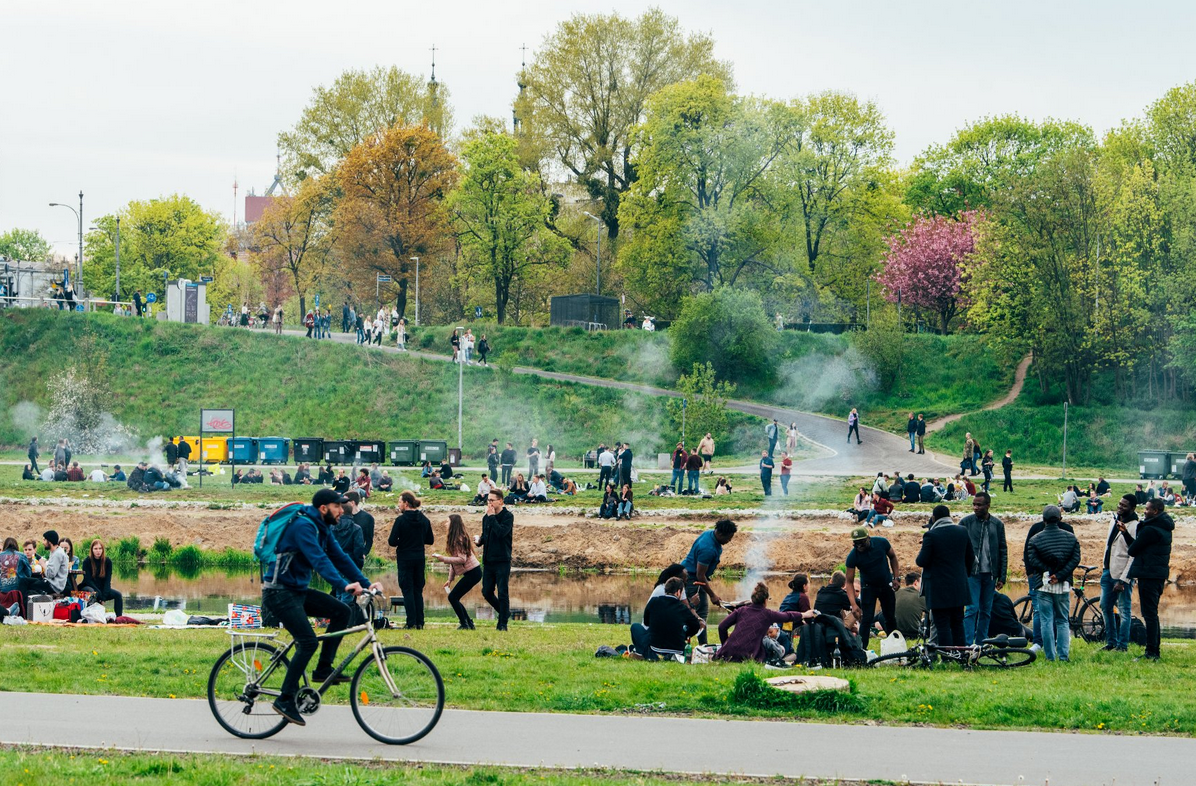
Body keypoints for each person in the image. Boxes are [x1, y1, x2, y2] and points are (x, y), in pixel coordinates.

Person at [261, 489, 381, 725]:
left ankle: (323, 668)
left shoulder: (323, 528)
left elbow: (340, 558)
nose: (342, 510)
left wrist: (367, 584)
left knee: (342, 611)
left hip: (296, 591)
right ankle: (285, 699)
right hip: (278, 592)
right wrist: (344, 585)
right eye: (337, 506)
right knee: (308, 641)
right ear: (323, 508)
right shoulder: (303, 527)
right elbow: (319, 560)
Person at [1025, 505, 1081, 662]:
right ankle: (1063, 656)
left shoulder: (1035, 539)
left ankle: (1050, 656)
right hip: (1062, 585)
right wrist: (1060, 575)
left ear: (1043, 520)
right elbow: (1075, 559)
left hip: (1044, 584)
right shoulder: (1071, 537)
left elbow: (1033, 560)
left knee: (1046, 620)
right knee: (1063, 620)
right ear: (1060, 519)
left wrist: (1048, 573)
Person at [916, 505, 975, 647]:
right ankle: (960, 654)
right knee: (957, 622)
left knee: (942, 624)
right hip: (959, 585)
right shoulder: (962, 531)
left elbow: (921, 561)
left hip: (938, 588)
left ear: (934, 518)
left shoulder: (931, 535)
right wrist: (963, 575)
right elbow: (971, 558)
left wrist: (924, 546)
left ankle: (947, 655)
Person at [715, 582, 814, 663]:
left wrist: (725, 645)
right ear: (766, 600)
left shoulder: (741, 610)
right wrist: (804, 614)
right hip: (748, 655)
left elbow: (721, 627)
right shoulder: (768, 614)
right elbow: (787, 616)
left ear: (752, 599)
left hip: (727, 653)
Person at [1126, 498, 1174, 661]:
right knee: (1152, 613)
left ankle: (1152, 652)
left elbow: (1133, 550)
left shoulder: (1150, 530)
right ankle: (1154, 650)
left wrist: (1126, 534)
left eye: (1147, 509)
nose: (1144, 511)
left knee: (1149, 614)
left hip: (1149, 574)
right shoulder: (1164, 527)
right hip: (1158, 575)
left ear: (1156, 511)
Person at [959, 491, 1007, 645]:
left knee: (986, 611)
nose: (975, 507)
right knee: (972, 609)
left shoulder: (997, 524)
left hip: (990, 574)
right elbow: (957, 546)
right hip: (972, 573)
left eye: (979, 505)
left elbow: (1003, 550)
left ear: (988, 505)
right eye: (974, 504)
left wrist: (1002, 575)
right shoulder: (966, 522)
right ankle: (967, 645)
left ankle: (981, 644)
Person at [681, 519, 738, 645]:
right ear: (721, 534)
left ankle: (700, 644)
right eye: (729, 538)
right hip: (692, 580)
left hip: (693, 576)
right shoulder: (707, 549)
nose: (730, 541)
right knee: (696, 613)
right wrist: (712, 595)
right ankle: (699, 645)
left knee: (697, 613)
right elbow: (700, 575)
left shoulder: (709, 534)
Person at [844, 527, 900, 648]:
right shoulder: (853, 556)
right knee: (866, 619)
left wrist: (896, 578)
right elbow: (849, 582)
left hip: (886, 585)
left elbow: (893, 557)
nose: (859, 546)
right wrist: (853, 605)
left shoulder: (882, 543)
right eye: (856, 543)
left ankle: (895, 646)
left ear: (868, 538)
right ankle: (862, 650)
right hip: (868, 588)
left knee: (890, 617)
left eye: (862, 542)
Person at [1098, 494, 1139, 652]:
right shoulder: (1113, 521)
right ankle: (1111, 642)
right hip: (1108, 571)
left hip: (1122, 575)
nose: (1120, 507)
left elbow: (1133, 555)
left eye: (1124, 505)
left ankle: (1122, 645)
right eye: (1120, 504)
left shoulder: (1135, 526)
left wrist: (1123, 580)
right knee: (1105, 605)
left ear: (1132, 508)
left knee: (1124, 610)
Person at [387, 490, 434, 629]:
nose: (398, 505)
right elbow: (430, 540)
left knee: (407, 590)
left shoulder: (400, 520)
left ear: (406, 503)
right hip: (419, 557)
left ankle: (411, 621)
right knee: (417, 590)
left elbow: (391, 541)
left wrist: (403, 541)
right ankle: (420, 622)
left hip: (405, 558)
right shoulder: (424, 519)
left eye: (399, 502)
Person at [631, 576, 705, 661]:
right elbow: (695, 626)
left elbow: (647, 622)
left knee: (635, 627)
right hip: (678, 649)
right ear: (678, 592)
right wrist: (684, 634)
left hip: (655, 648)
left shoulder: (654, 601)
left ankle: (643, 653)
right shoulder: (682, 608)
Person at [432, 514, 482, 629]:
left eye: (447, 522)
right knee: (454, 597)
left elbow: (461, 559)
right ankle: (468, 623)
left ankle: (465, 624)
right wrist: (450, 579)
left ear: (453, 524)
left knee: (453, 597)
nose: (445, 524)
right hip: (473, 573)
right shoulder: (456, 538)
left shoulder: (458, 539)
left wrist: (443, 558)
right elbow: (454, 562)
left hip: (473, 573)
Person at [478, 488, 514, 630]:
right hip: (488, 560)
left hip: (502, 560)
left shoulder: (507, 516)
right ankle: (505, 613)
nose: (489, 503)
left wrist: (492, 517)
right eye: (488, 501)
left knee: (503, 591)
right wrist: (480, 541)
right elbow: (486, 536)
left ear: (500, 501)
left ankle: (502, 623)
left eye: (492, 500)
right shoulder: (486, 517)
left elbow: (500, 533)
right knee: (486, 591)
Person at [78, 539, 123, 616]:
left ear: (102, 550)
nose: (98, 551)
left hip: (102, 589)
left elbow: (107, 580)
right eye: (95, 549)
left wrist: (103, 597)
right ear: (92, 550)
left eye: (100, 548)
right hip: (89, 586)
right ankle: (90, 616)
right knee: (94, 593)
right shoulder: (87, 561)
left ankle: (119, 617)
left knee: (118, 595)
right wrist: (99, 594)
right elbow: (88, 580)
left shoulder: (107, 562)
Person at [893, 572, 927, 640]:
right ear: (916, 582)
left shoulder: (896, 593)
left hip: (895, 632)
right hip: (914, 633)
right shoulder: (920, 596)